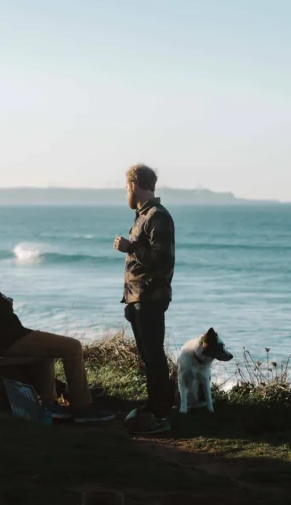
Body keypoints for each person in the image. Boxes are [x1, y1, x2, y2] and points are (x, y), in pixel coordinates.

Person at [0, 222, 114, 423]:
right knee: (72, 347)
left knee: (46, 351)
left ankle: (51, 405)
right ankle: (83, 408)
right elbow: (0, 309)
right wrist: (6, 302)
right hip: (2, 340)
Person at [114, 164, 175, 435]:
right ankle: (154, 407)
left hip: (150, 297)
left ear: (135, 184)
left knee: (154, 356)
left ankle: (160, 413)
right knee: (148, 357)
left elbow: (161, 260)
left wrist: (132, 247)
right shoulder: (142, 215)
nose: (126, 192)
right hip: (137, 297)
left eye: (127, 187)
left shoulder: (157, 216)